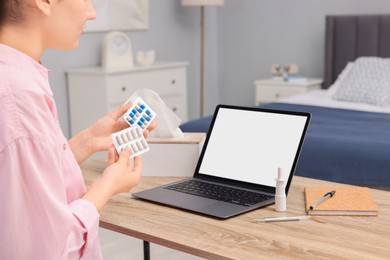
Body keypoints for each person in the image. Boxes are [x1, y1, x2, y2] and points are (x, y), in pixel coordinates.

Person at [0, 0, 156, 259]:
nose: (92, 13)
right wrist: (107, 185)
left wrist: (88, 140)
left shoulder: (17, 78)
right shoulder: (17, 97)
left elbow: (19, 186)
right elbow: (50, 250)